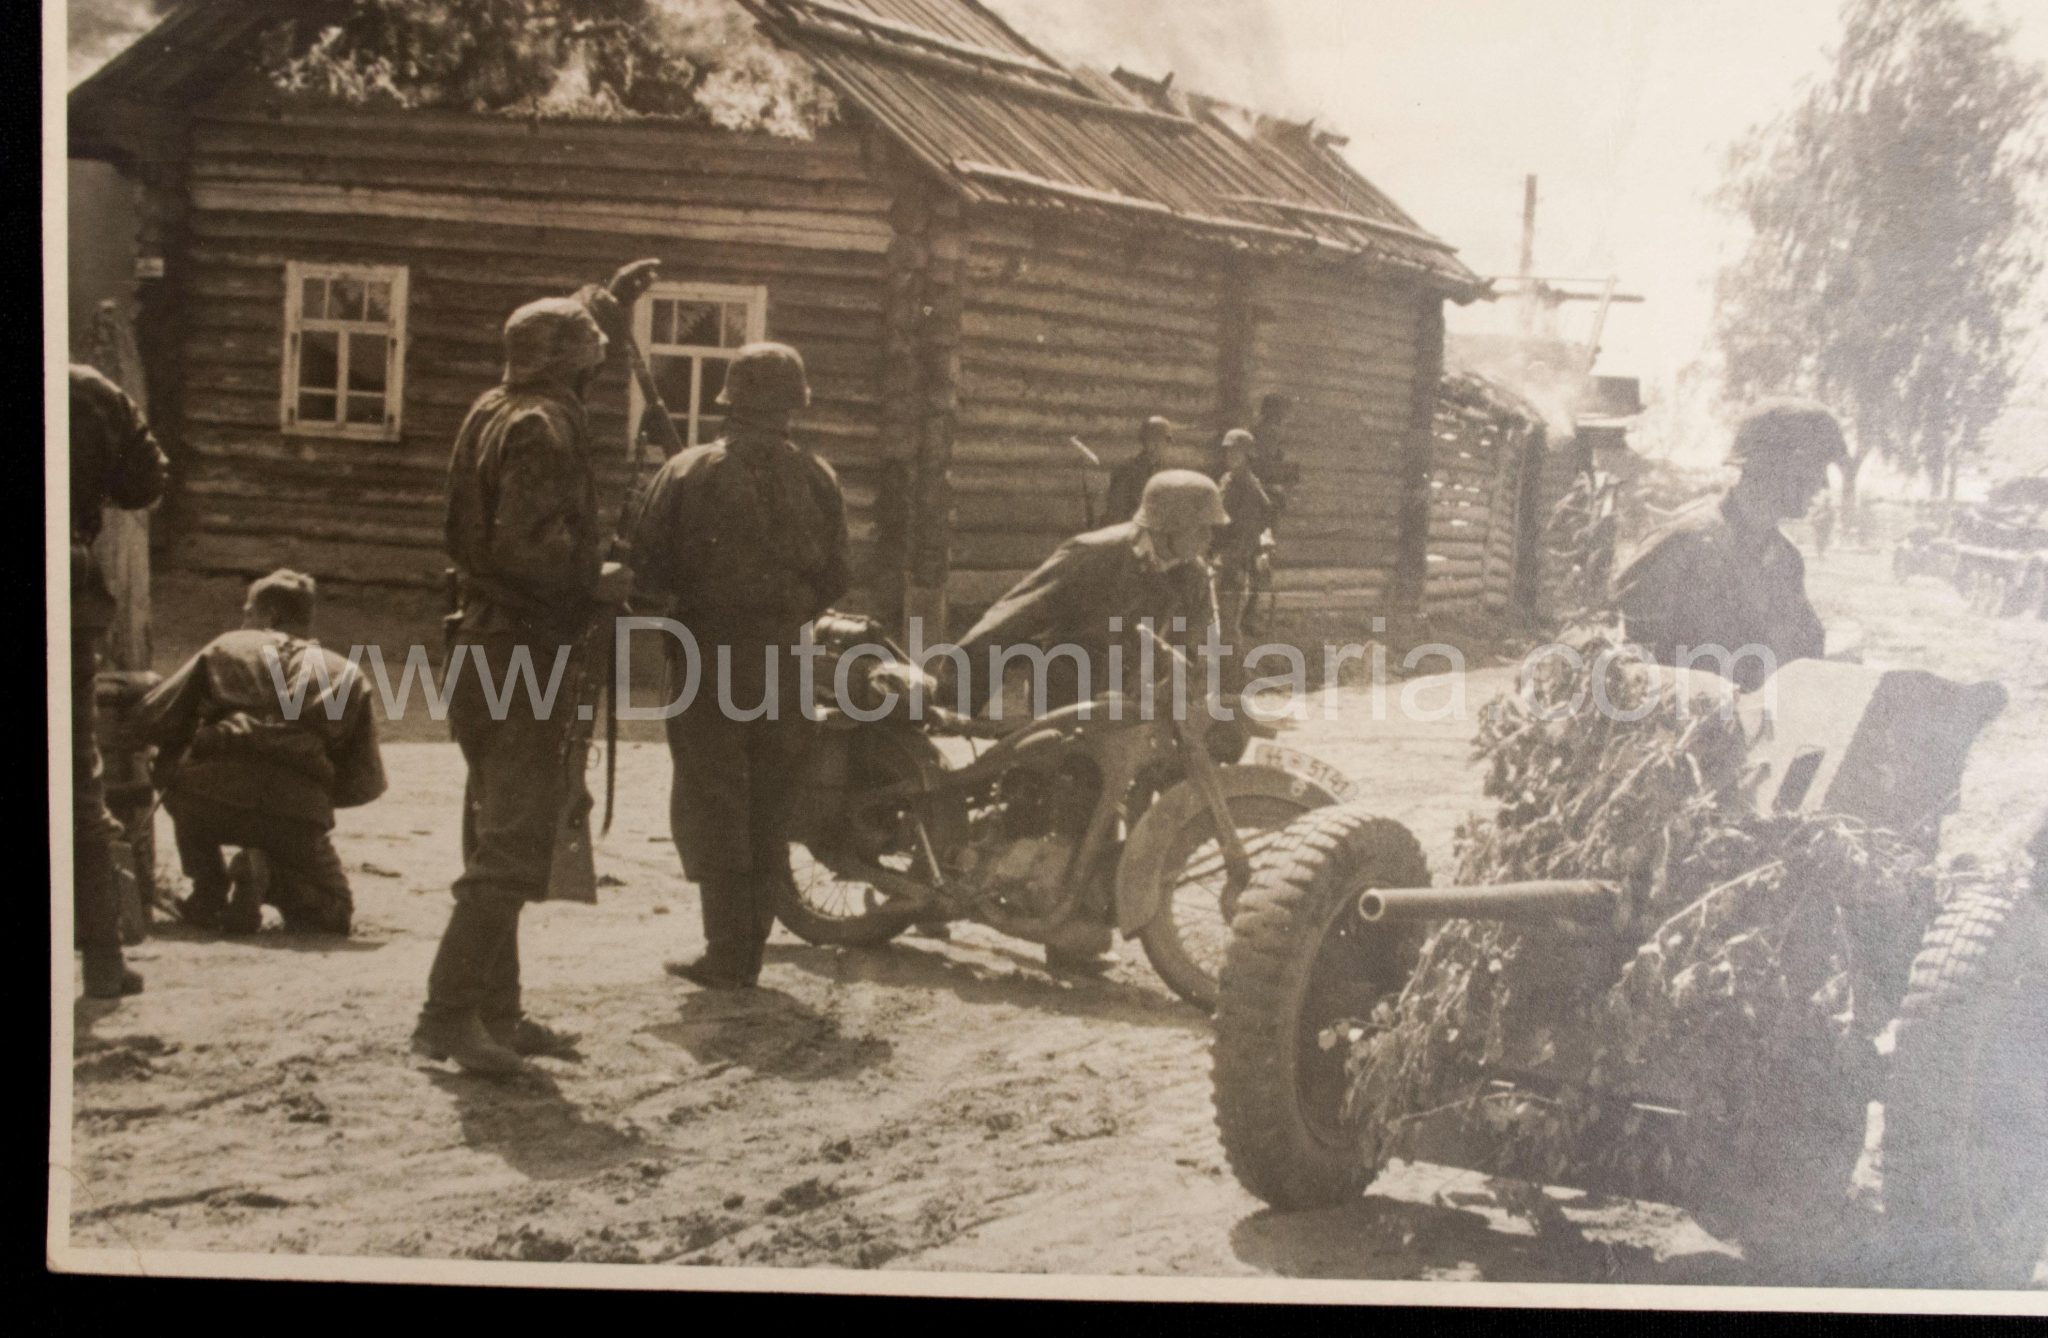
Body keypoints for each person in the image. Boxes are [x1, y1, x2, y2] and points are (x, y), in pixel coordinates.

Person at [412, 261, 655, 1074]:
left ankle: (497, 1012)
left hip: (479, 642)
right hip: (524, 649)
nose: (600, 362)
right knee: (515, 841)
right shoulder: (547, 428)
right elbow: (526, 545)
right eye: (592, 352)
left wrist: (607, 303)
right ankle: (448, 1017)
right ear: (570, 363)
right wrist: (598, 577)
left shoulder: (493, 407)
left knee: (494, 828)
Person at [936, 470, 1226, 974]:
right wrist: (955, 691)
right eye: (1202, 527)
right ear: (1169, 525)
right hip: (1065, 684)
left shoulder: (1192, 572)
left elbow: (1206, 642)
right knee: (1049, 786)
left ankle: (1078, 922)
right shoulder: (1094, 554)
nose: (1209, 538)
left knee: (1116, 790)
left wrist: (1213, 690)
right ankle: (942, 882)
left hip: (1130, 695)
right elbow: (1015, 615)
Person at [630, 342, 851, 992]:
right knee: (769, 800)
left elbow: (646, 573)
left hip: (707, 659)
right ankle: (747, 951)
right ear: (793, 405)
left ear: (730, 400)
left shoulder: (688, 471)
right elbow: (838, 574)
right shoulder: (818, 475)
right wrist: (789, 610)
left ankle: (727, 954)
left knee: (714, 798)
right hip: (786, 660)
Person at [134, 570, 385, 936]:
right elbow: (365, 781)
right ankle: (268, 877)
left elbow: (154, 717)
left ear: (270, 616)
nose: (243, 621)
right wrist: (313, 799)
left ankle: (208, 888)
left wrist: (192, 748)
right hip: (295, 813)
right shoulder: (347, 674)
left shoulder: (227, 647)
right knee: (334, 913)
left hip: (207, 800)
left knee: (171, 763)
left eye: (248, 612)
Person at [1614, 398, 1846, 692]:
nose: (1823, 484)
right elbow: (1624, 667)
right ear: (1773, 466)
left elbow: (1802, 658)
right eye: (1816, 466)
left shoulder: (1786, 560)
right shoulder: (1682, 544)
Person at [69, 364, 169, 999]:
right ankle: (103, 959)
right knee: (76, 776)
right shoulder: (88, 391)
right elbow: (144, 481)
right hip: (63, 577)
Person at [1212, 429, 1276, 673]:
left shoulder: (1247, 486)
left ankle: (1233, 675)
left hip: (1232, 562)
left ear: (1248, 455)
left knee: (1227, 621)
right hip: (1222, 556)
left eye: (1236, 451)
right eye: (1228, 450)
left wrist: (1227, 559)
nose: (1230, 455)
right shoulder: (1229, 480)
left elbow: (1247, 532)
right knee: (1220, 618)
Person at [1103, 415, 1176, 524]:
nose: (1158, 445)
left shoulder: (1167, 471)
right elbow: (1116, 511)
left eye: (1163, 441)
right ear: (1145, 442)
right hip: (1132, 529)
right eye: (1152, 440)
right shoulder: (1127, 470)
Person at [1809, 491, 1836, 564]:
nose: (1827, 502)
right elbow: (1814, 515)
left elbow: (1832, 518)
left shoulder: (1831, 509)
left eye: (1828, 501)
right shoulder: (1821, 508)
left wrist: (1829, 524)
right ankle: (1820, 554)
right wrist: (1813, 520)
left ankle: (1821, 554)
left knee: (1824, 541)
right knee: (1819, 540)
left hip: (1826, 528)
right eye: (1826, 500)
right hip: (1819, 528)